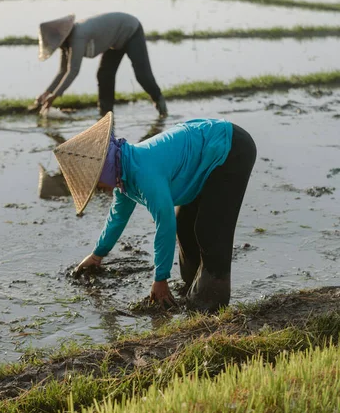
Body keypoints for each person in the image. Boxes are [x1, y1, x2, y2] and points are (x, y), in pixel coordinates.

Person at [54, 112, 256, 312]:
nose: (99, 188)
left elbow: (164, 224)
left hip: (230, 149)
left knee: (209, 230)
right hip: (205, 157)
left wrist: (160, 278)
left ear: (104, 169)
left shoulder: (143, 173)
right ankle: (191, 287)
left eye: (97, 182)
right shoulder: (123, 174)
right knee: (184, 226)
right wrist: (97, 255)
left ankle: (211, 303)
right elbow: (117, 218)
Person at [31, 12, 168, 117]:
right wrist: (46, 93)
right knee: (104, 75)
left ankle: (161, 104)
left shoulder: (78, 36)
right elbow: (62, 71)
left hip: (130, 30)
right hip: (114, 41)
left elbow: (73, 71)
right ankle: (106, 115)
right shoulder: (66, 45)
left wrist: (54, 97)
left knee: (142, 75)